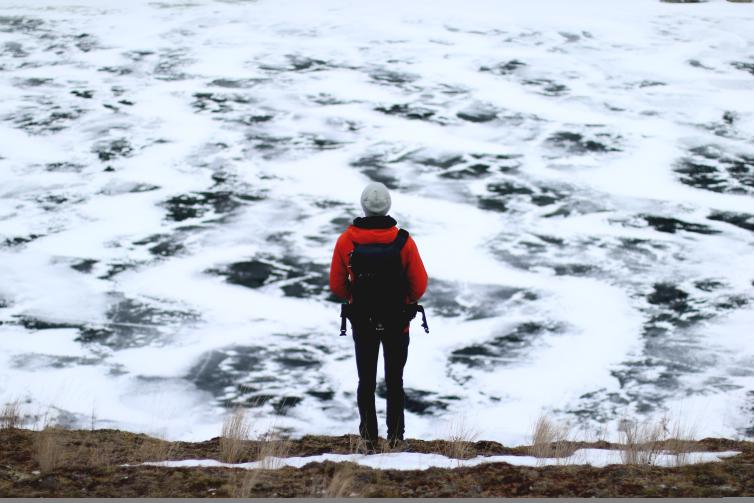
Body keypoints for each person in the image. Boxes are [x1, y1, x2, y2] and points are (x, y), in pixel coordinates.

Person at [329, 182, 428, 450]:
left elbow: (337, 285)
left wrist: (356, 296)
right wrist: (403, 300)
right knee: (395, 380)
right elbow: (419, 285)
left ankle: (369, 440)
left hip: (362, 320)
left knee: (366, 381)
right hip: (397, 321)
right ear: (388, 206)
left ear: (363, 206)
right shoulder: (404, 241)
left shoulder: (346, 240)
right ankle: (396, 439)